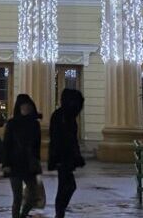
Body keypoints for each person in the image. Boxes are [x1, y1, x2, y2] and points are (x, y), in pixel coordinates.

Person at [1, 94, 42, 218]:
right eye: (23, 105)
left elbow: (37, 146)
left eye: (28, 105)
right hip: (14, 164)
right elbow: (6, 145)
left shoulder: (35, 124)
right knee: (17, 198)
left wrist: (37, 162)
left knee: (33, 195)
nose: (26, 108)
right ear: (19, 107)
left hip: (29, 165)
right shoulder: (12, 124)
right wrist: (6, 164)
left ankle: (23, 215)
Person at [48, 88, 85, 218]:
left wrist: (76, 155)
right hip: (62, 157)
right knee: (66, 186)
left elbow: (72, 138)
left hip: (66, 157)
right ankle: (59, 212)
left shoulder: (68, 116)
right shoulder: (61, 116)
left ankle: (60, 212)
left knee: (67, 186)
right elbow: (58, 138)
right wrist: (57, 157)